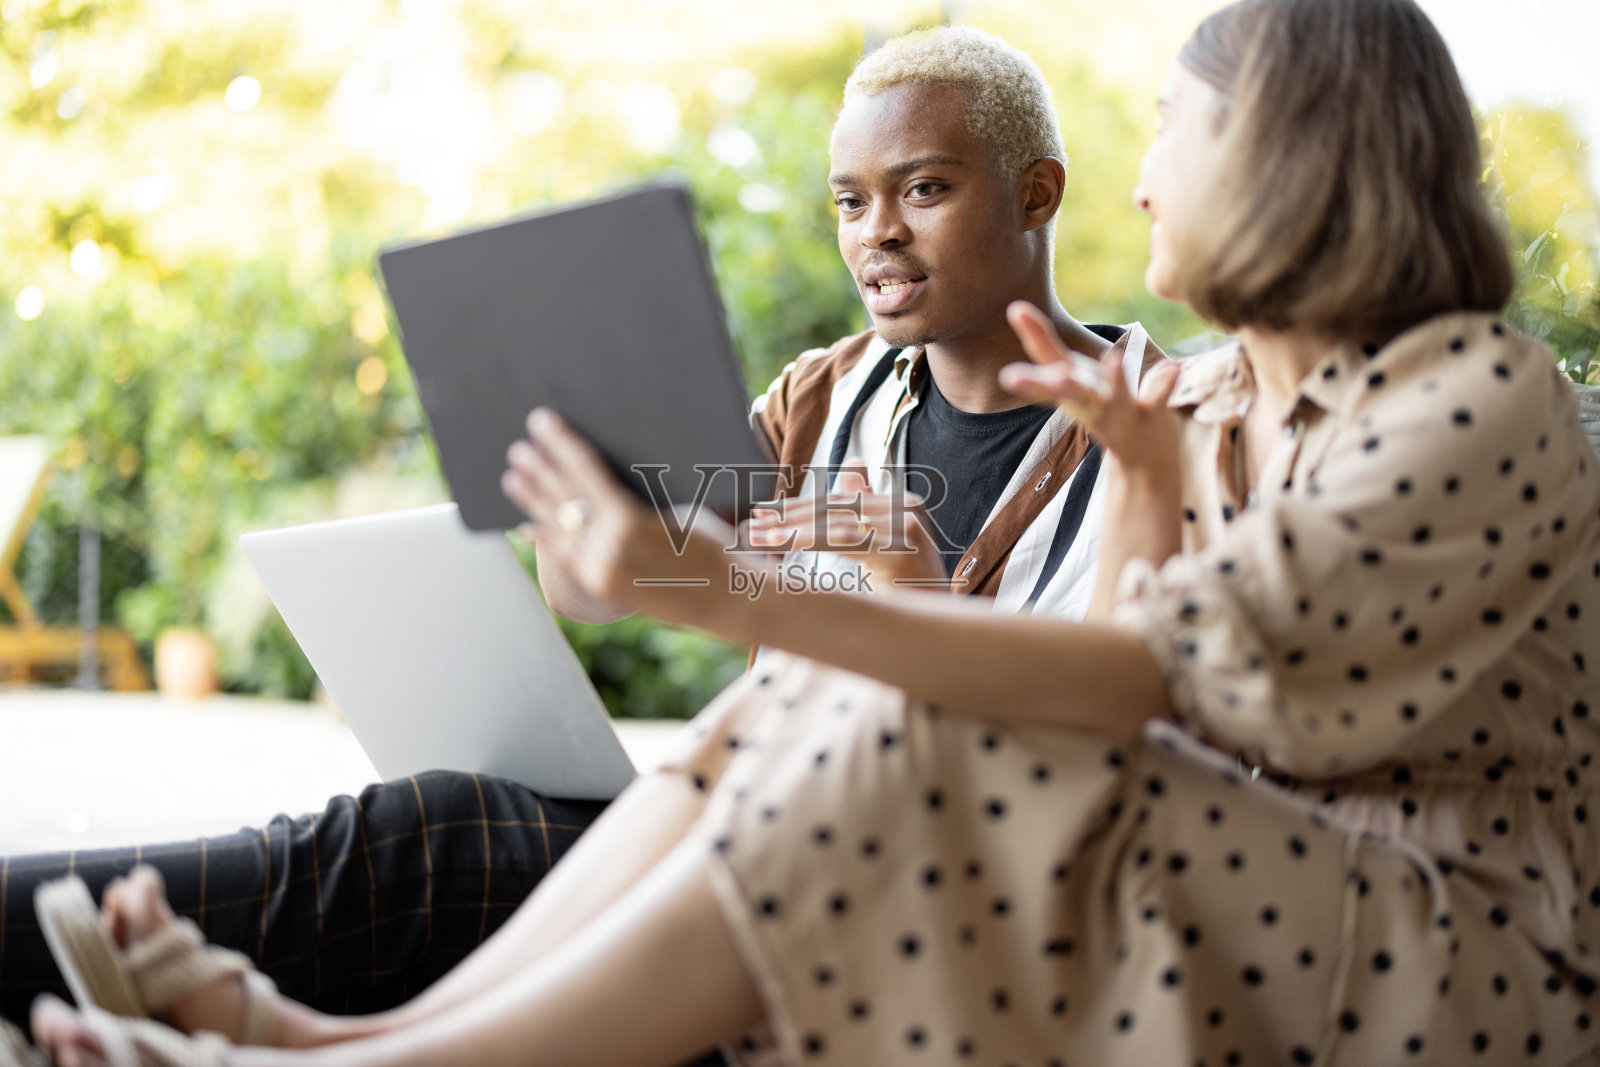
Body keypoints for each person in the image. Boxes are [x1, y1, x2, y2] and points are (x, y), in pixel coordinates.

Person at [21, 0, 1600, 1063]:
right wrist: (1138, 483)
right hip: (1226, 866)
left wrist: (721, 587)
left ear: (1286, 153)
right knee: (767, 708)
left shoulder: (1471, 395)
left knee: (874, 723)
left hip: (1440, 951)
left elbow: (1127, 690)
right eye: (853, 200)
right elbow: (1140, 684)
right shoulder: (1199, 405)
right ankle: (341, 1046)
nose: (1146, 188)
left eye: (1177, 138)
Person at [0, 25, 1165, 1049]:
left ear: (1037, 192)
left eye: (923, 189)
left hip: (914, 890)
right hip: (737, 825)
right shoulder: (825, 398)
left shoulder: (1160, 432)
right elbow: (602, 585)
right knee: (425, 821)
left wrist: (911, 596)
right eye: (850, 201)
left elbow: (1121, 742)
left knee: (436, 860)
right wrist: (583, 505)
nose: (877, 237)